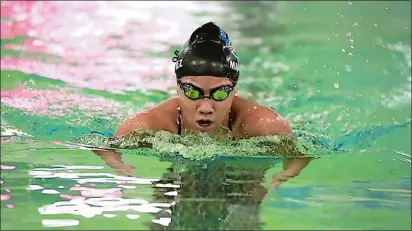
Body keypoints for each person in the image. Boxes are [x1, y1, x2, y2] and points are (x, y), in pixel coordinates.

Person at [95, 21, 311, 188]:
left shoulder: (263, 124)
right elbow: (105, 147)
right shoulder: (149, 124)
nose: (205, 107)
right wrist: (119, 166)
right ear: (177, 88)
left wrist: (287, 174)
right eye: (192, 91)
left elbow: (299, 154)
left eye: (219, 93)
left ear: (234, 90)